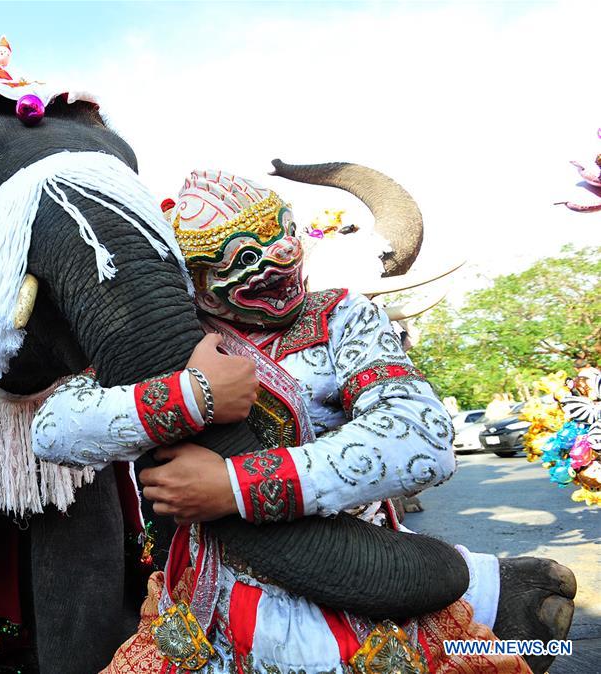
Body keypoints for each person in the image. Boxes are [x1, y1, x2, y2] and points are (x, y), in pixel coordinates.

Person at [31, 171, 531, 672]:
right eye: (243, 259)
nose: (276, 262)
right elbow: (52, 431)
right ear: (198, 285)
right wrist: (193, 395)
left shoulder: (341, 318)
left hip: (352, 573)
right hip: (208, 601)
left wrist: (233, 485)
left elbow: (422, 437)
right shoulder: (171, 342)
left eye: (283, 239)